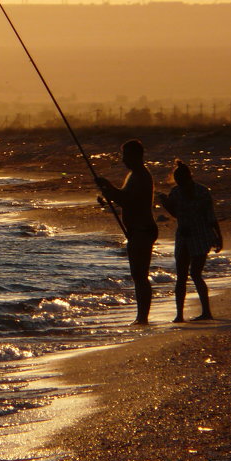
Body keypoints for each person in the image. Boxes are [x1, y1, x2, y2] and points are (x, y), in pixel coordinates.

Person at [96, 139, 158, 325]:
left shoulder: (141, 176)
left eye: (126, 155)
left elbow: (126, 200)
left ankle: (142, 318)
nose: (123, 160)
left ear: (135, 155)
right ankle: (141, 316)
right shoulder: (135, 175)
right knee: (138, 275)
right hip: (137, 230)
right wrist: (108, 191)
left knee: (140, 275)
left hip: (142, 230)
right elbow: (123, 197)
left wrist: (107, 186)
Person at [157, 160, 223, 322]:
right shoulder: (178, 192)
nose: (180, 182)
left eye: (181, 179)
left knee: (194, 274)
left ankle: (205, 312)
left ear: (187, 177)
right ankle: (180, 314)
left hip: (200, 235)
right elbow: (177, 214)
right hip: (185, 236)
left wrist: (219, 237)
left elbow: (210, 217)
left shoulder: (201, 192)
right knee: (182, 275)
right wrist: (166, 203)